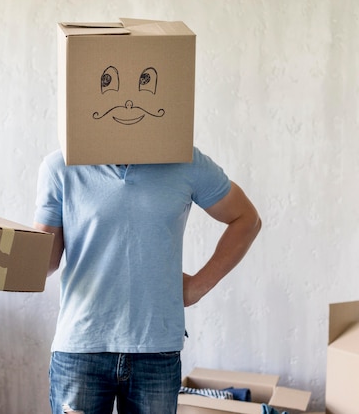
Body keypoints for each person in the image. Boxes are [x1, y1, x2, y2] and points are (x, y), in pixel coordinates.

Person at [34, 147, 261, 414]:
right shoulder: (60, 166)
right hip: (82, 348)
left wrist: (199, 286)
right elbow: (45, 263)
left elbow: (247, 219)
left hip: (156, 349)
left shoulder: (185, 161)